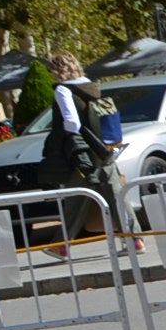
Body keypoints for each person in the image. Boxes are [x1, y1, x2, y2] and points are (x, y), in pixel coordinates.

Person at [37, 52, 134, 257]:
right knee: (116, 193)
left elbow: (72, 123)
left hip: (81, 152)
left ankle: (61, 245)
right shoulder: (92, 87)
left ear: (56, 70)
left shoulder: (64, 90)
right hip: (103, 150)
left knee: (77, 196)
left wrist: (64, 137)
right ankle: (135, 239)